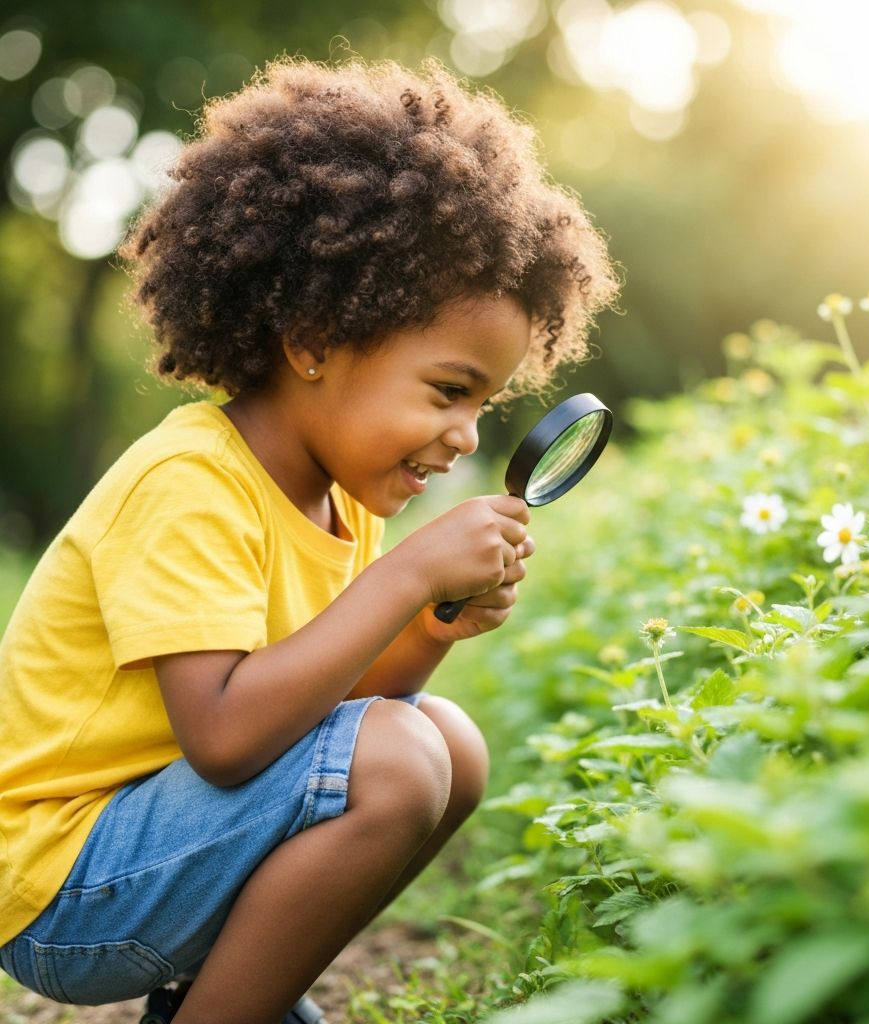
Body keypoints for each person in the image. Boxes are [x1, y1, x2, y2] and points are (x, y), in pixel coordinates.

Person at [0, 56, 618, 1024]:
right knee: (404, 759)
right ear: (316, 340)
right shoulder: (190, 482)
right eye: (448, 390)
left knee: (445, 744)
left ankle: (224, 998)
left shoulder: (344, 497)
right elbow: (229, 738)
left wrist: (428, 623)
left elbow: (330, 716)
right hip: (58, 887)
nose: (464, 433)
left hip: (156, 844)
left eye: (485, 404)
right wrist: (410, 567)